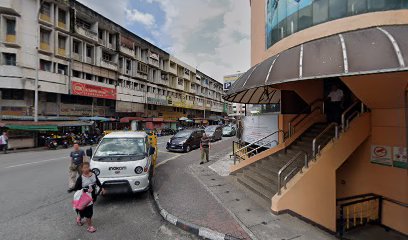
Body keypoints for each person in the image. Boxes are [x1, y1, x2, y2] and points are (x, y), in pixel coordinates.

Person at [72, 162, 105, 233]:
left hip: (93, 195)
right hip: (85, 197)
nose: (86, 169)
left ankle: (79, 218)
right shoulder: (80, 178)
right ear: (81, 169)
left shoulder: (93, 174)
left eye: (87, 167)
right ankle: (90, 227)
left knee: (84, 209)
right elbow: (76, 189)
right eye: (84, 168)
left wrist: (102, 188)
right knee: (89, 211)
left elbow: (98, 182)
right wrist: (86, 189)